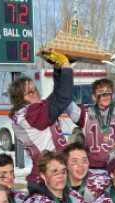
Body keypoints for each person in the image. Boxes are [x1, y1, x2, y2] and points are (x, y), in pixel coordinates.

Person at [9, 51, 73, 184]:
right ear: (20, 98)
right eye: (30, 92)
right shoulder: (30, 114)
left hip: (52, 169)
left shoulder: (32, 110)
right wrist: (66, 68)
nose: (35, 94)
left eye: (35, 89)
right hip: (47, 176)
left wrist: (58, 69)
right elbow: (63, 98)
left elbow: (56, 95)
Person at [67, 59, 115, 174]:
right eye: (101, 92)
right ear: (94, 97)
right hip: (92, 169)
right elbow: (65, 100)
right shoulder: (85, 113)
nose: (105, 95)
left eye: (108, 91)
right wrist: (66, 71)